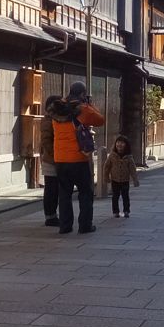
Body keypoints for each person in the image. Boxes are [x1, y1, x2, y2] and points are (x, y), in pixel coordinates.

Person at [48, 80, 105, 233]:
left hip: (60, 158)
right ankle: (85, 225)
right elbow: (100, 120)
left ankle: (65, 226)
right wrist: (89, 104)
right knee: (85, 193)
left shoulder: (56, 108)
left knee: (64, 194)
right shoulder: (82, 109)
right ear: (82, 94)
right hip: (78, 158)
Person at [39, 94, 63, 226]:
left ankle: (53, 215)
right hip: (51, 160)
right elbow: (46, 141)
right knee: (51, 189)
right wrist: (55, 155)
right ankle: (50, 216)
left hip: (56, 158)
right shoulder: (48, 121)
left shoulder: (56, 119)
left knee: (55, 189)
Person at [104, 134, 140, 218]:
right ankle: (115, 211)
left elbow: (132, 169)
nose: (119, 144)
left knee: (125, 196)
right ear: (115, 144)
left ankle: (126, 211)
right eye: (118, 142)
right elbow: (106, 167)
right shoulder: (112, 156)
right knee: (115, 196)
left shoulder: (129, 157)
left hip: (125, 180)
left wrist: (135, 179)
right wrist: (106, 176)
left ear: (126, 145)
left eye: (122, 143)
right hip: (115, 179)